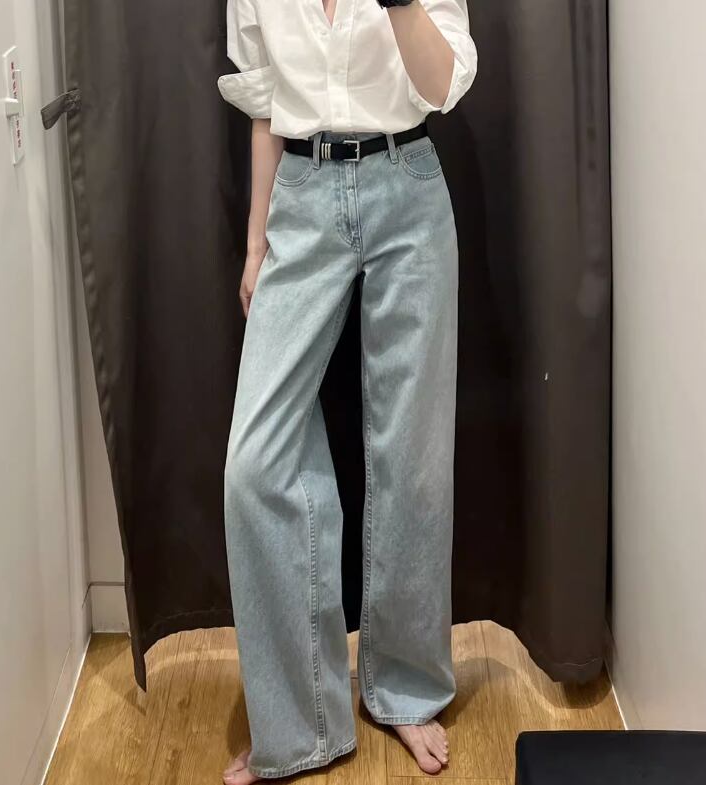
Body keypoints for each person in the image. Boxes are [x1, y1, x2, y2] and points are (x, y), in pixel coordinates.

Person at [217, 1, 477, 781]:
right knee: (255, 465)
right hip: (301, 192)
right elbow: (265, 104)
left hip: (408, 185)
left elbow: (443, 84)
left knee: (411, 456)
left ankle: (405, 689)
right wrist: (256, 242)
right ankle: (300, 722)